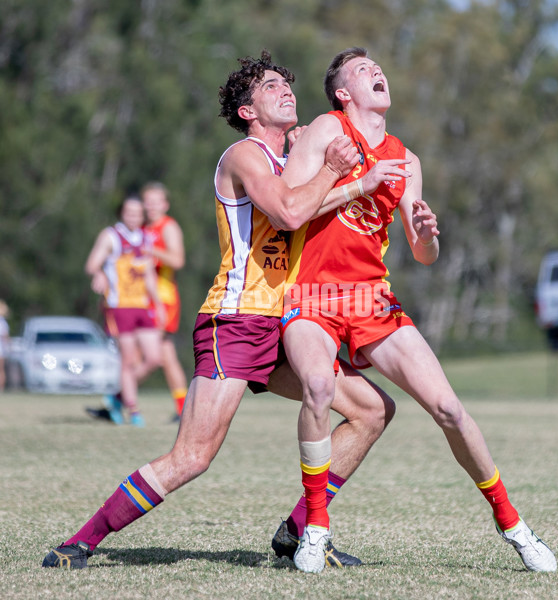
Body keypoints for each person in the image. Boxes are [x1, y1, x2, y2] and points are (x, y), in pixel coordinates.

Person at [42, 51, 399, 570]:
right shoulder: (245, 156)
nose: (286, 91)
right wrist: (340, 172)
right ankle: (81, 541)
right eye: (271, 86)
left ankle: (303, 530)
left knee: (372, 411)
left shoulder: (292, 160)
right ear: (247, 109)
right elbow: (291, 211)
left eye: (287, 84)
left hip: (287, 321)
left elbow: (312, 209)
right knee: (193, 457)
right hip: (235, 321)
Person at [278, 47, 557, 574]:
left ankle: (515, 526)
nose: (376, 71)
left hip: (371, 297)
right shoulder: (323, 130)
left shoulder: (408, 162)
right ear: (343, 93)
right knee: (317, 387)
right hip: (311, 293)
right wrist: (357, 184)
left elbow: (424, 255)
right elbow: (288, 211)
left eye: (378, 66)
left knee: (449, 409)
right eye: (362, 70)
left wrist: (427, 236)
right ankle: (315, 529)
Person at [84, 195, 165, 427]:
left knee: (153, 358)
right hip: (119, 306)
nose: (134, 216)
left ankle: (117, 397)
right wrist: (98, 274)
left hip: (142, 305)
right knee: (128, 361)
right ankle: (134, 410)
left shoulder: (145, 238)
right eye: (129, 212)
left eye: (138, 213)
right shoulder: (110, 236)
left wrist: (157, 303)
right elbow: (92, 264)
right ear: (122, 213)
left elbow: (148, 273)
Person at [142, 181, 188, 418]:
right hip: (141, 297)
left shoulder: (168, 227)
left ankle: (116, 399)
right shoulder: (140, 228)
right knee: (166, 356)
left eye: (155, 201)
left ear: (165, 204)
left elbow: (178, 260)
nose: (150, 206)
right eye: (147, 201)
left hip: (163, 297)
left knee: (145, 353)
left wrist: (151, 251)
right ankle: (184, 409)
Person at [0, 300, 9, 392]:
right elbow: (5, 337)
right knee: (1, 370)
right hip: (1, 350)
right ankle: (1, 388)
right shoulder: (3, 323)